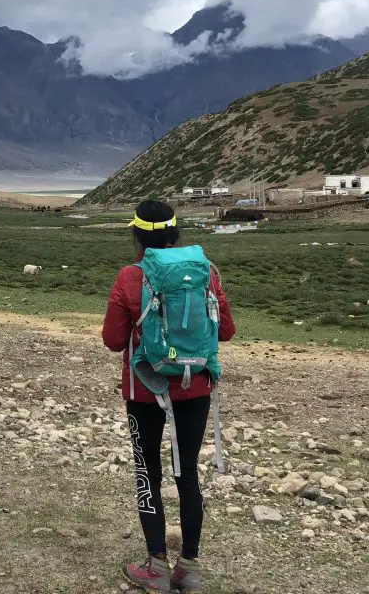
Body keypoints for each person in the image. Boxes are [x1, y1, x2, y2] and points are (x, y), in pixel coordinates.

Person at [101, 199, 235, 593]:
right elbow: (225, 331)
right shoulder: (206, 273)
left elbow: (112, 341)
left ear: (137, 235)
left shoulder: (130, 277)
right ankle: (188, 567)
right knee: (188, 473)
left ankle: (155, 565)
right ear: (176, 233)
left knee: (148, 473)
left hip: (145, 390)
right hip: (195, 388)